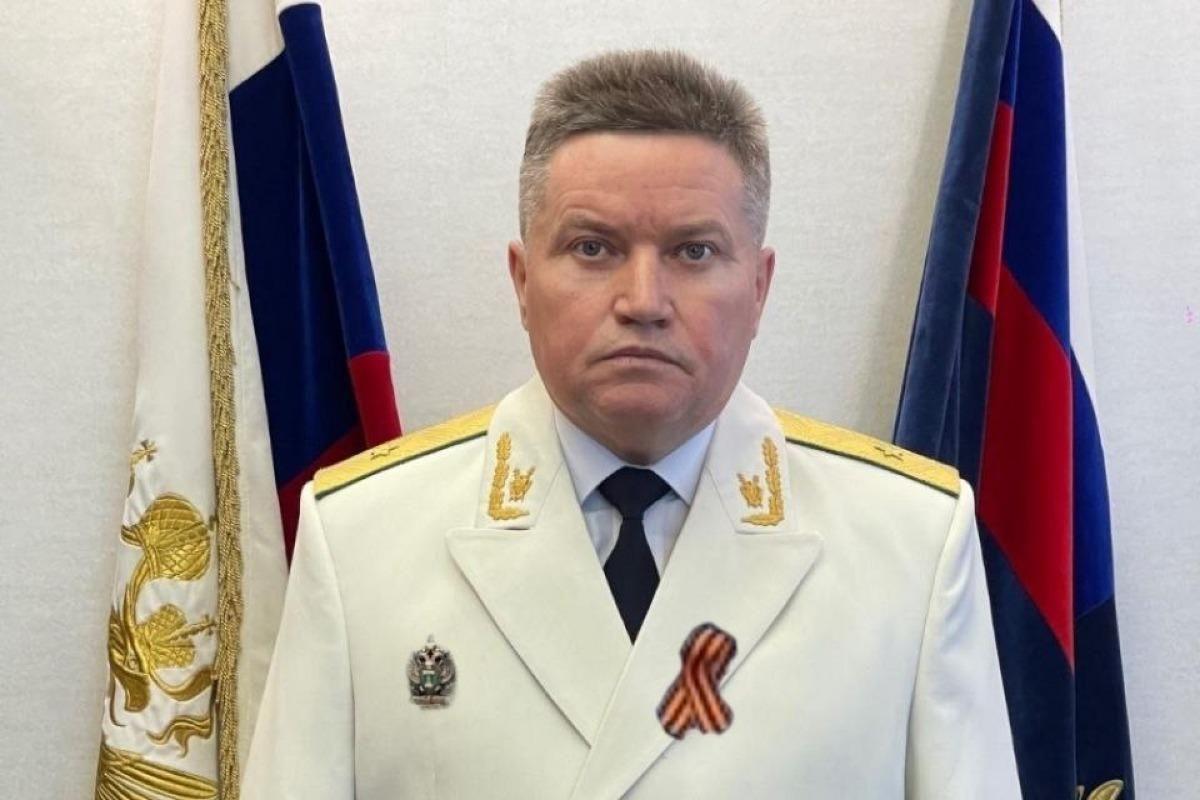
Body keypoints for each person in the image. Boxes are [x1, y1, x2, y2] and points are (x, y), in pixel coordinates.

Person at [242, 49, 1020, 799]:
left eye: (693, 251)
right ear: (522, 281)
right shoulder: (361, 540)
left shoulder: (910, 548)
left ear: (758, 288)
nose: (643, 301)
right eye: (593, 248)